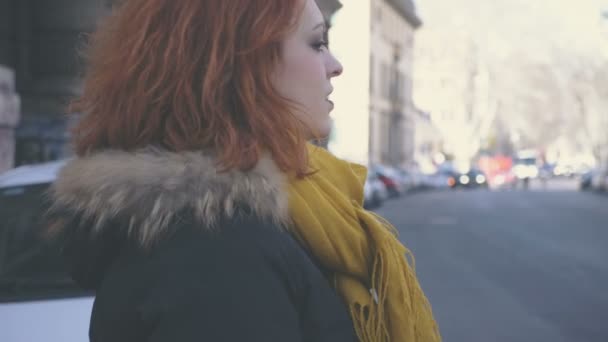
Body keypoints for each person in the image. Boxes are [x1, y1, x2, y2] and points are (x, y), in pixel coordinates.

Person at [47, 0, 441, 341]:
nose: (335, 66)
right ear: (242, 63)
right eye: (317, 43)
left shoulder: (260, 222)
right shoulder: (215, 252)